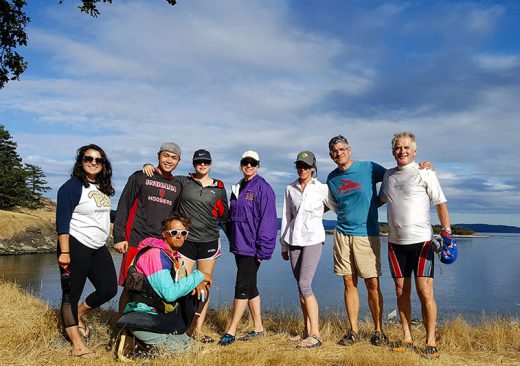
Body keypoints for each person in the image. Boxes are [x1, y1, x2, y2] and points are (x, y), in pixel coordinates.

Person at [379, 131, 452, 359]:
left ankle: (430, 341)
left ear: (415, 150)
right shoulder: (388, 177)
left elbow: (440, 203)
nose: (402, 151)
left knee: (425, 292)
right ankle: (407, 337)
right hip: (395, 244)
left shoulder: (425, 173)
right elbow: (378, 201)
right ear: (393, 151)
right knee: (401, 291)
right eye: (398, 148)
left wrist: (446, 230)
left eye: (406, 147)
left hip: (422, 243)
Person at [143, 149, 228, 342]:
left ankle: (197, 329)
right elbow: (164, 178)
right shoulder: (183, 181)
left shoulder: (220, 188)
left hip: (209, 242)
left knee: (204, 285)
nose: (202, 165)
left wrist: (236, 242)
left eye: (206, 162)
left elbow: (224, 217)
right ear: (194, 164)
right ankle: (181, 326)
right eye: (199, 162)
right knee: (183, 284)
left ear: (210, 164)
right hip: (186, 241)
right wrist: (148, 166)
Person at [115, 213, 212, 354]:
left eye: (183, 233)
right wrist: (199, 274)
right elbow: (170, 294)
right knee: (190, 353)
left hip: (160, 318)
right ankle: (132, 341)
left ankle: (141, 346)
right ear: (165, 234)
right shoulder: (155, 255)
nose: (179, 236)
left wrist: (195, 283)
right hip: (144, 319)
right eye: (174, 232)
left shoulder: (170, 256)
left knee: (200, 350)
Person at [56, 144, 117, 358]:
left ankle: (78, 315)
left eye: (98, 160)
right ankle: (77, 346)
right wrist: (65, 252)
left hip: (98, 246)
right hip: (75, 245)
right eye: (88, 158)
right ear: (80, 161)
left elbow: (103, 213)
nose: (93, 162)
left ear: (103, 164)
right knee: (70, 297)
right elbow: (62, 222)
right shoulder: (71, 187)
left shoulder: (101, 187)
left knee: (109, 289)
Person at [113, 142, 183, 314]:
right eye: (166, 155)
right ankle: (123, 328)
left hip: (161, 246)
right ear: (158, 155)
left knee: (156, 289)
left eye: (173, 157)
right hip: (137, 241)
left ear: (178, 161)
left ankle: (147, 326)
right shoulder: (140, 177)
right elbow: (123, 205)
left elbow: (176, 218)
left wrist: (175, 247)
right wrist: (119, 236)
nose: (169, 160)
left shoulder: (177, 185)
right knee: (131, 287)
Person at [218, 150, 278, 346]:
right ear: (241, 164)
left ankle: (232, 330)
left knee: (241, 285)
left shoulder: (263, 188)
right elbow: (233, 218)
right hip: (239, 245)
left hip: (252, 247)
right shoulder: (238, 187)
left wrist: (264, 250)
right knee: (250, 284)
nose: (249, 166)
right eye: (245, 162)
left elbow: (268, 221)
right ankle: (258, 328)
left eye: (253, 163)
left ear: (258, 166)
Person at [280, 151, 336, 349]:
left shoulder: (322, 189)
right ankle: (306, 330)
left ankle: (316, 334)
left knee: (305, 285)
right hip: (294, 240)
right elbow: (287, 216)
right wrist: (284, 244)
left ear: (313, 168)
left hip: (313, 240)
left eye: (305, 166)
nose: (302, 169)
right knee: (300, 287)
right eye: (299, 165)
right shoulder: (290, 189)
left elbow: (336, 207)